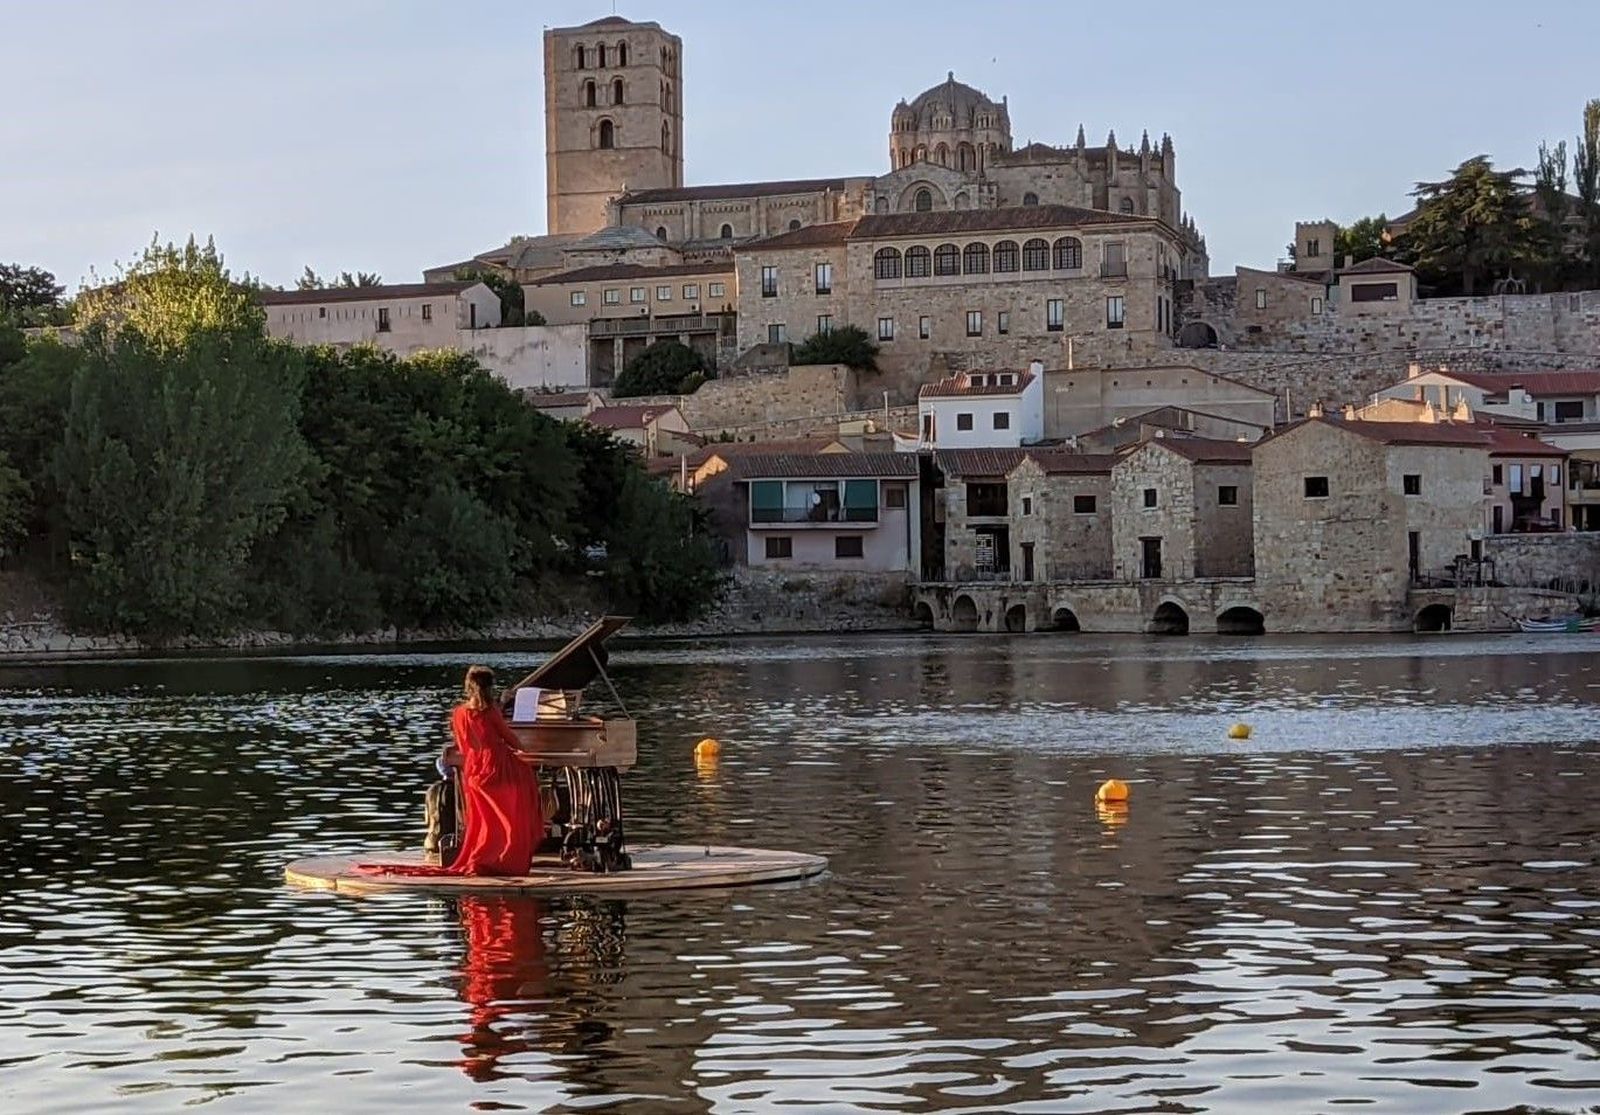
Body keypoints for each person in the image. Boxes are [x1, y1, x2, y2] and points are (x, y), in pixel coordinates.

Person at [364, 666, 544, 878]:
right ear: (489, 688)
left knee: (486, 817)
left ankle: (489, 853)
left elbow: (462, 744)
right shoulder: (490, 712)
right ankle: (516, 850)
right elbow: (510, 739)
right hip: (495, 768)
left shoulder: (458, 713)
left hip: (474, 771)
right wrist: (532, 752)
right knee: (526, 786)